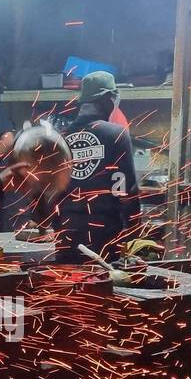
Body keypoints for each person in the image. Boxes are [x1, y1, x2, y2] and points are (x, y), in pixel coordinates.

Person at [58, 70, 140, 260]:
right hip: (104, 233)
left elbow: (50, 189)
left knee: (66, 285)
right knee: (100, 286)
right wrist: (134, 234)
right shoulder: (115, 134)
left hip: (67, 231)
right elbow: (126, 189)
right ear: (108, 98)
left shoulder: (61, 137)